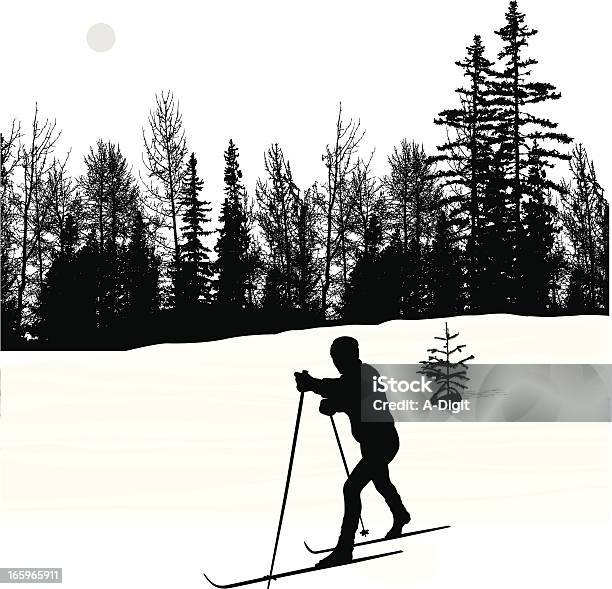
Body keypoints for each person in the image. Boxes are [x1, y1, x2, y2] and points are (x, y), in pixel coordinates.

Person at [294, 336, 411, 568]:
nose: (336, 362)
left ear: (351, 355)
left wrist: (314, 385)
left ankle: (344, 549)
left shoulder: (365, 375)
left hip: (383, 443)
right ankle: (400, 515)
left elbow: (343, 391)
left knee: (351, 488)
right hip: (374, 444)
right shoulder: (358, 375)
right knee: (380, 481)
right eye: (334, 358)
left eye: (339, 358)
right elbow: (343, 395)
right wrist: (328, 401)